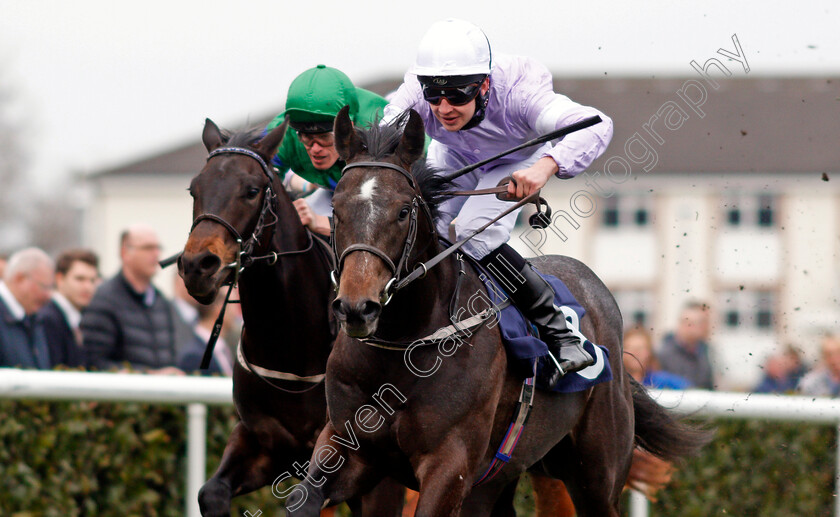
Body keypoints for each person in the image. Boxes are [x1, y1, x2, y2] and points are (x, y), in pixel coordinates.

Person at [383, 19, 613, 389]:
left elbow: (596, 124)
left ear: (485, 85)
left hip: (517, 161)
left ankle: (562, 334)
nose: (444, 108)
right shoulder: (416, 90)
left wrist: (546, 166)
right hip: (454, 156)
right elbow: (382, 131)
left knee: (473, 233)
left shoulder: (521, 94)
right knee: (427, 231)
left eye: (458, 95)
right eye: (435, 96)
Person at [263, 64, 389, 236]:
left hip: (378, 197)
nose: (315, 149)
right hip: (331, 193)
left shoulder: (379, 128)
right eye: (306, 137)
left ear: (349, 127)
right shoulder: (284, 133)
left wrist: (329, 224)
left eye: (324, 138)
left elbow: (392, 212)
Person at [81, 224, 185, 374]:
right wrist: (149, 376)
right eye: (148, 248)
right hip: (122, 396)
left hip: (160, 395)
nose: (156, 254)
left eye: (158, 248)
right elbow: (95, 363)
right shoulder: (104, 300)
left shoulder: (161, 302)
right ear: (125, 253)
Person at [38, 249, 100, 368]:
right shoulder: (48, 319)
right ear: (60, 279)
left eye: (92, 280)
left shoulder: (79, 318)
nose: (88, 287)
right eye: (80, 279)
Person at [0, 248, 55, 369]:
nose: (48, 295)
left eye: (51, 288)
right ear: (19, 278)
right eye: (44, 286)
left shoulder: (33, 317)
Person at [657, 301, 715, 389]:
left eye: (696, 323)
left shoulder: (706, 352)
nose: (690, 327)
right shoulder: (664, 354)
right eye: (688, 323)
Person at [177, 290, 235, 376]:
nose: (235, 313)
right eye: (232, 305)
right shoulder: (194, 356)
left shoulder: (221, 348)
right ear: (220, 309)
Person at [623, 327, 692, 390]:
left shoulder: (659, 380)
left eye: (641, 349)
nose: (635, 353)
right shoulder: (616, 382)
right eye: (630, 348)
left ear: (649, 352)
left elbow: (689, 389)